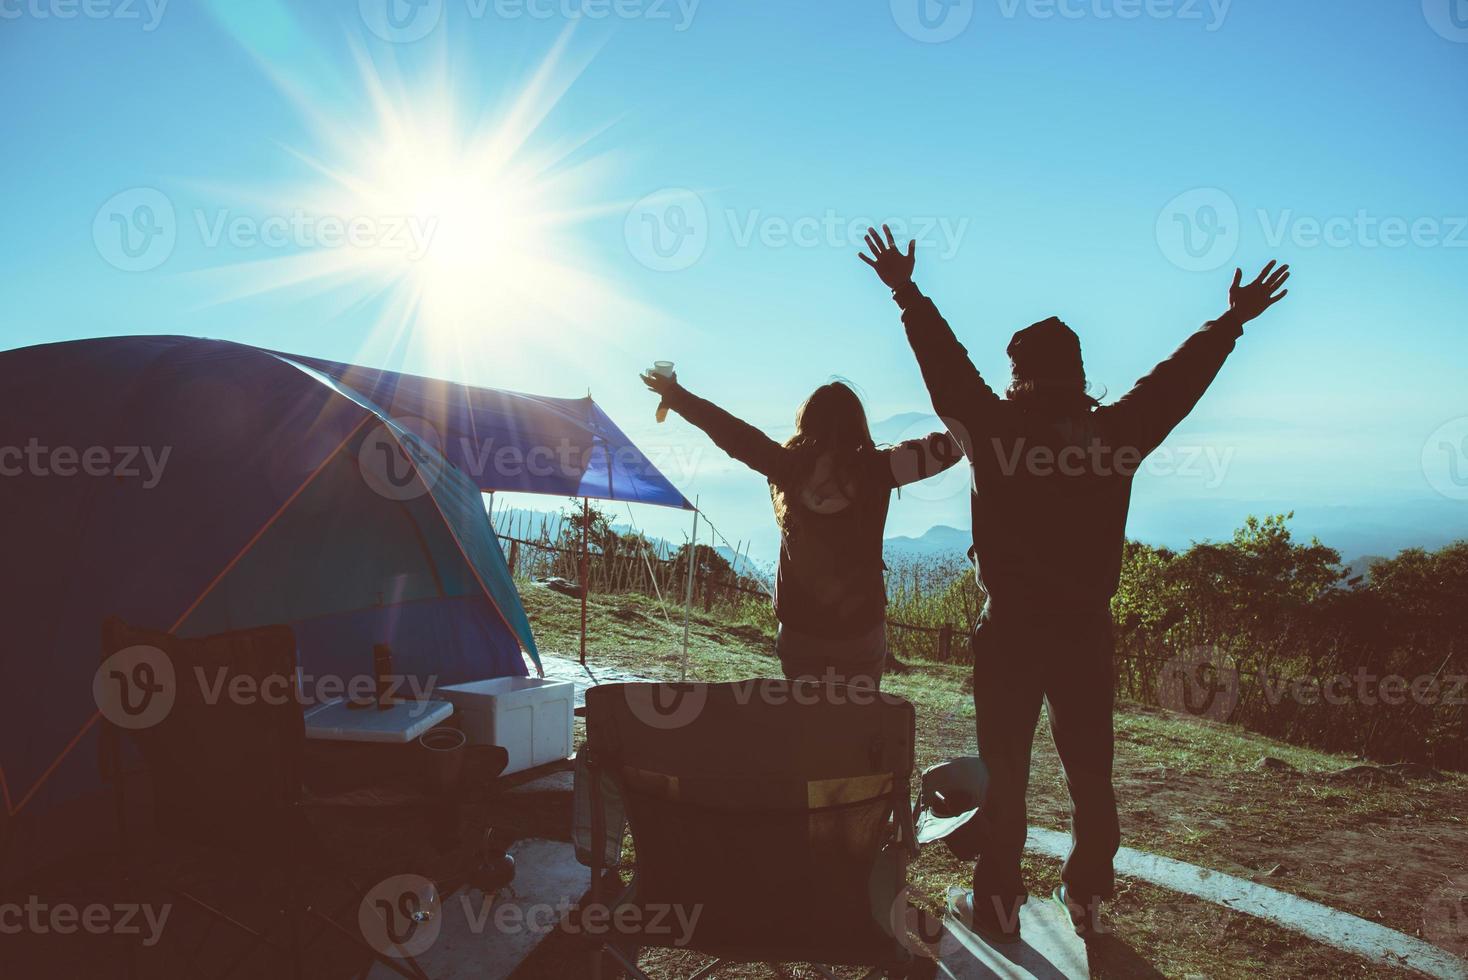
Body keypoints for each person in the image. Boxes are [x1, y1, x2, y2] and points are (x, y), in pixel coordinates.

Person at [858, 224, 1290, 944]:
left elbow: (947, 367)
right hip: (1086, 628)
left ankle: (997, 894)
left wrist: (906, 292)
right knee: (1092, 767)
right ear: (1079, 374)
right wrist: (1232, 321)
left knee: (1005, 766)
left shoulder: (994, 431)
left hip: (1011, 630)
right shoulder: (1116, 432)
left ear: (1018, 375)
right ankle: (1086, 892)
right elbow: (1174, 384)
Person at [640, 371, 962, 690]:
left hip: (800, 634)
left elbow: (731, 433)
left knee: (806, 728)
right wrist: (990, 415)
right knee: (856, 729)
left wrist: (676, 395)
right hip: (859, 635)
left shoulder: (784, 466)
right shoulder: (879, 470)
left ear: (805, 423)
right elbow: (949, 448)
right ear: (857, 426)